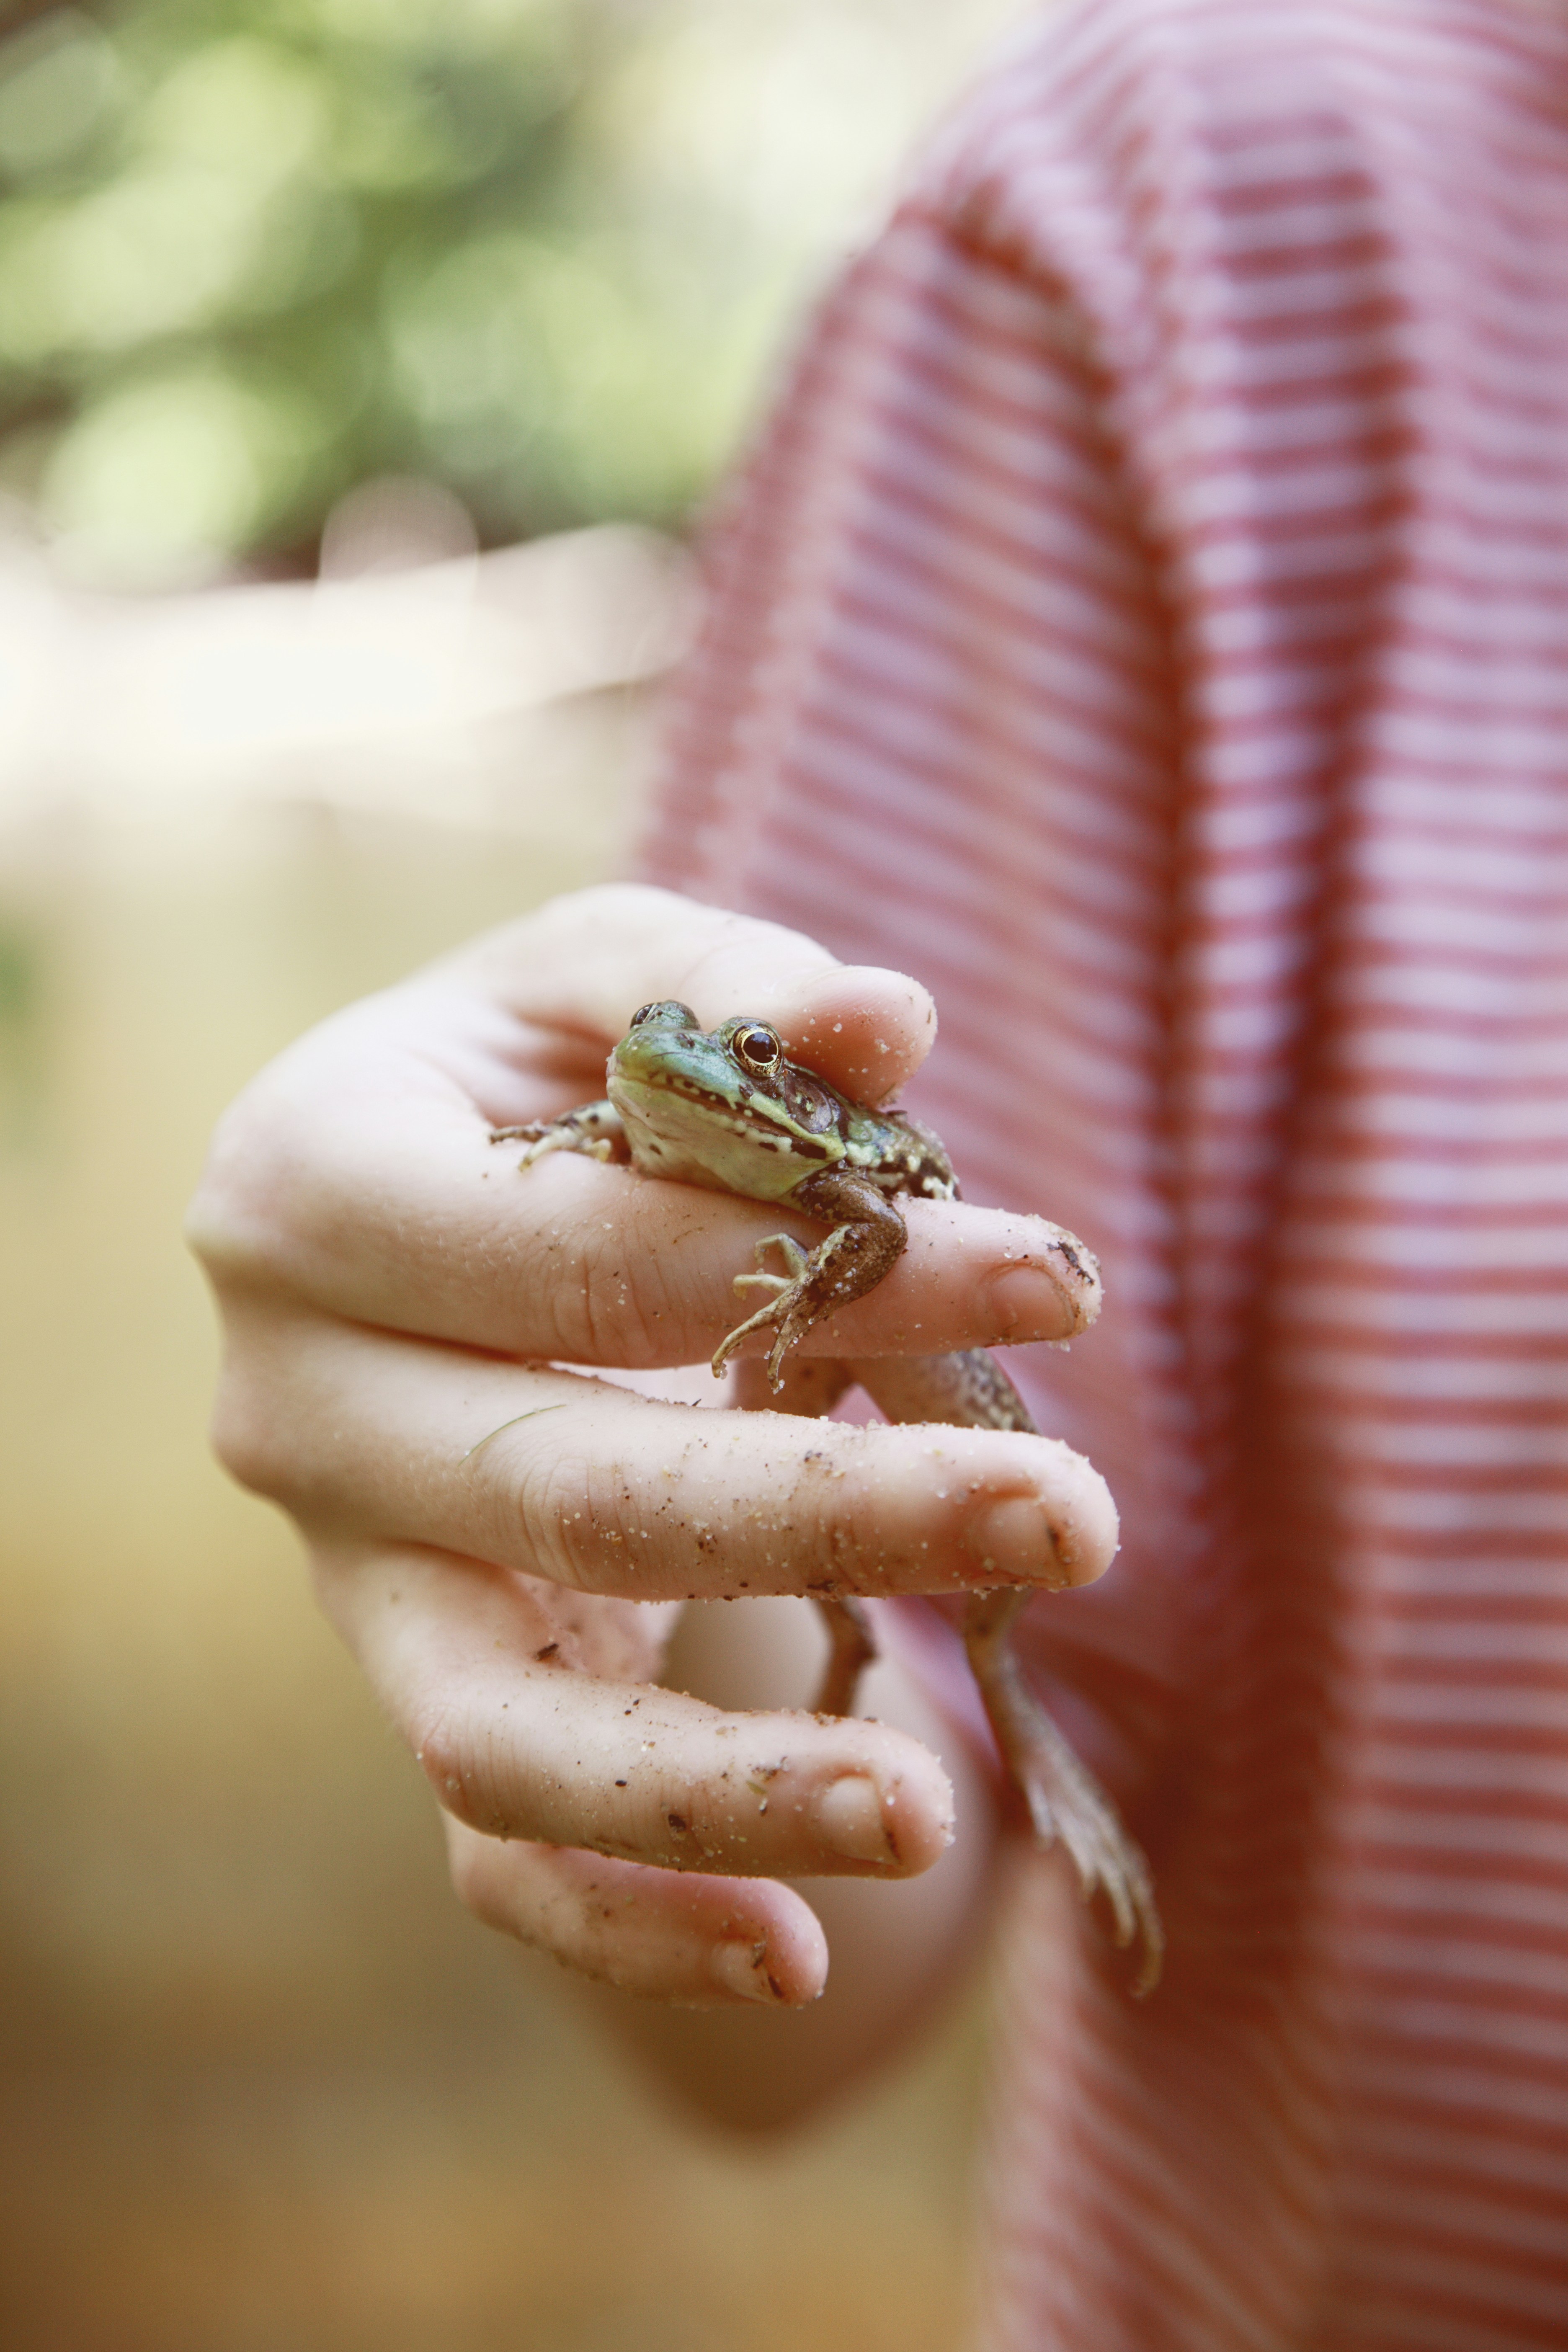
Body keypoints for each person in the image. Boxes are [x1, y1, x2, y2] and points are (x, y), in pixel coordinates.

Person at [188, 0, 1568, 2343]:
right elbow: (813, 1966)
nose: (668, 1074)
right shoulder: (1163, 214)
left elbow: (858, 1210)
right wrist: (512, 1373)